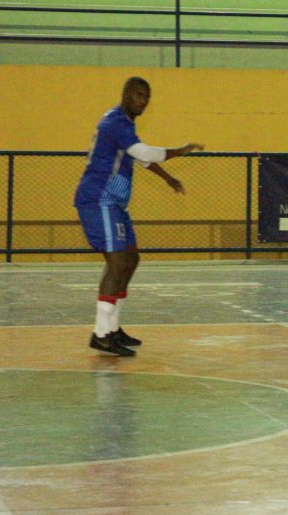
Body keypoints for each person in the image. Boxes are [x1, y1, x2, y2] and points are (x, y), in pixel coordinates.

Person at [74, 77, 203, 356]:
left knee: (130, 259)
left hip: (115, 203)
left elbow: (140, 159)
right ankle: (100, 333)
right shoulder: (115, 122)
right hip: (99, 199)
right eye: (139, 95)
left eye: (147, 97)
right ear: (126, 94)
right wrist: (179, 151)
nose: (143, 101)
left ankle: (113, 327)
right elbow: (144, 152)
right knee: (117, 261)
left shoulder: (123, 125)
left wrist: (168, 178)